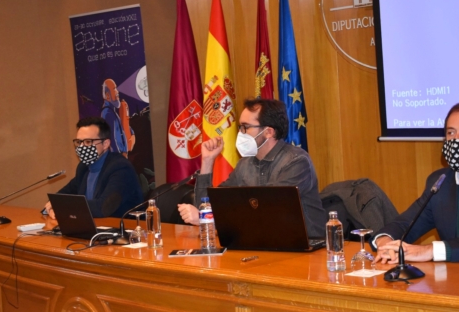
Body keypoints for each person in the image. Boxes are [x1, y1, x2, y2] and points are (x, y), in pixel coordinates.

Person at [178, 98, 326, 238]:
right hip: (262, 243)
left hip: (305, 249)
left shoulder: (296, 161)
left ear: (268, 132)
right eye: (240, 127)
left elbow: (268, 212)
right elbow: (209, 206)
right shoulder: (245, 164)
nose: (240, 133)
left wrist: (207, 220)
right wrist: (207, 161)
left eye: (245, 127)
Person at [372, 102, 459, 263]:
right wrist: (385, 241)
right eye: (451, 133)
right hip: (452, 279)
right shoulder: (440, 182)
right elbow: (405, 224)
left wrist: (431, 250)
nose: (456, 140)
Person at [44, 117, 143, 219]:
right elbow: (62, 196)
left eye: (88, 142)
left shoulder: (120, 168)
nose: (81, 147)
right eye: (78, 142)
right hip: (95, 228)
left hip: (126, 230)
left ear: (105, 144)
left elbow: (103, 207)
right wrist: (52, 204)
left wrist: (63, 205)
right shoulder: (83, 167)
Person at [101, 78, 135, 158]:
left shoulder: (112, 112)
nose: (117, 92)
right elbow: (112, 138)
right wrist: (121, 155)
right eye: (114, 89)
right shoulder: (107, 113)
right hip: (118, 157)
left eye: (116, 88)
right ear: (107, 95)